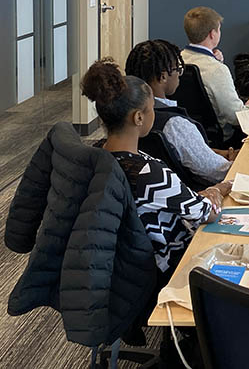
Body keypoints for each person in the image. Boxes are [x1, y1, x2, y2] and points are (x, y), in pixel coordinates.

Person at [80, 58, 231, 277]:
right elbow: (209, 213)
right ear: (138, 117)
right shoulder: (148, 173)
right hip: (169, 264)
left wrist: (196, 198)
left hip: (124, 268)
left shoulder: (95, 159)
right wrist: (215, 191)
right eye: (152, 109)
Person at [125, 39, 237, 187]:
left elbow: (185, 152)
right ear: (163, 77)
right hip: (205, 193)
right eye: (177, 68)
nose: (179, 74)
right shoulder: (174, 124)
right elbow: (216, 172)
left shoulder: (126, 115)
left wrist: (217, 153)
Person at [181, 7, 249, 148]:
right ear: (212, 34)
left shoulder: (178, 60)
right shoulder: (216, 70)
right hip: (224, 139)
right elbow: (235, 117)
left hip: (190, 135)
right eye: (219, 29)